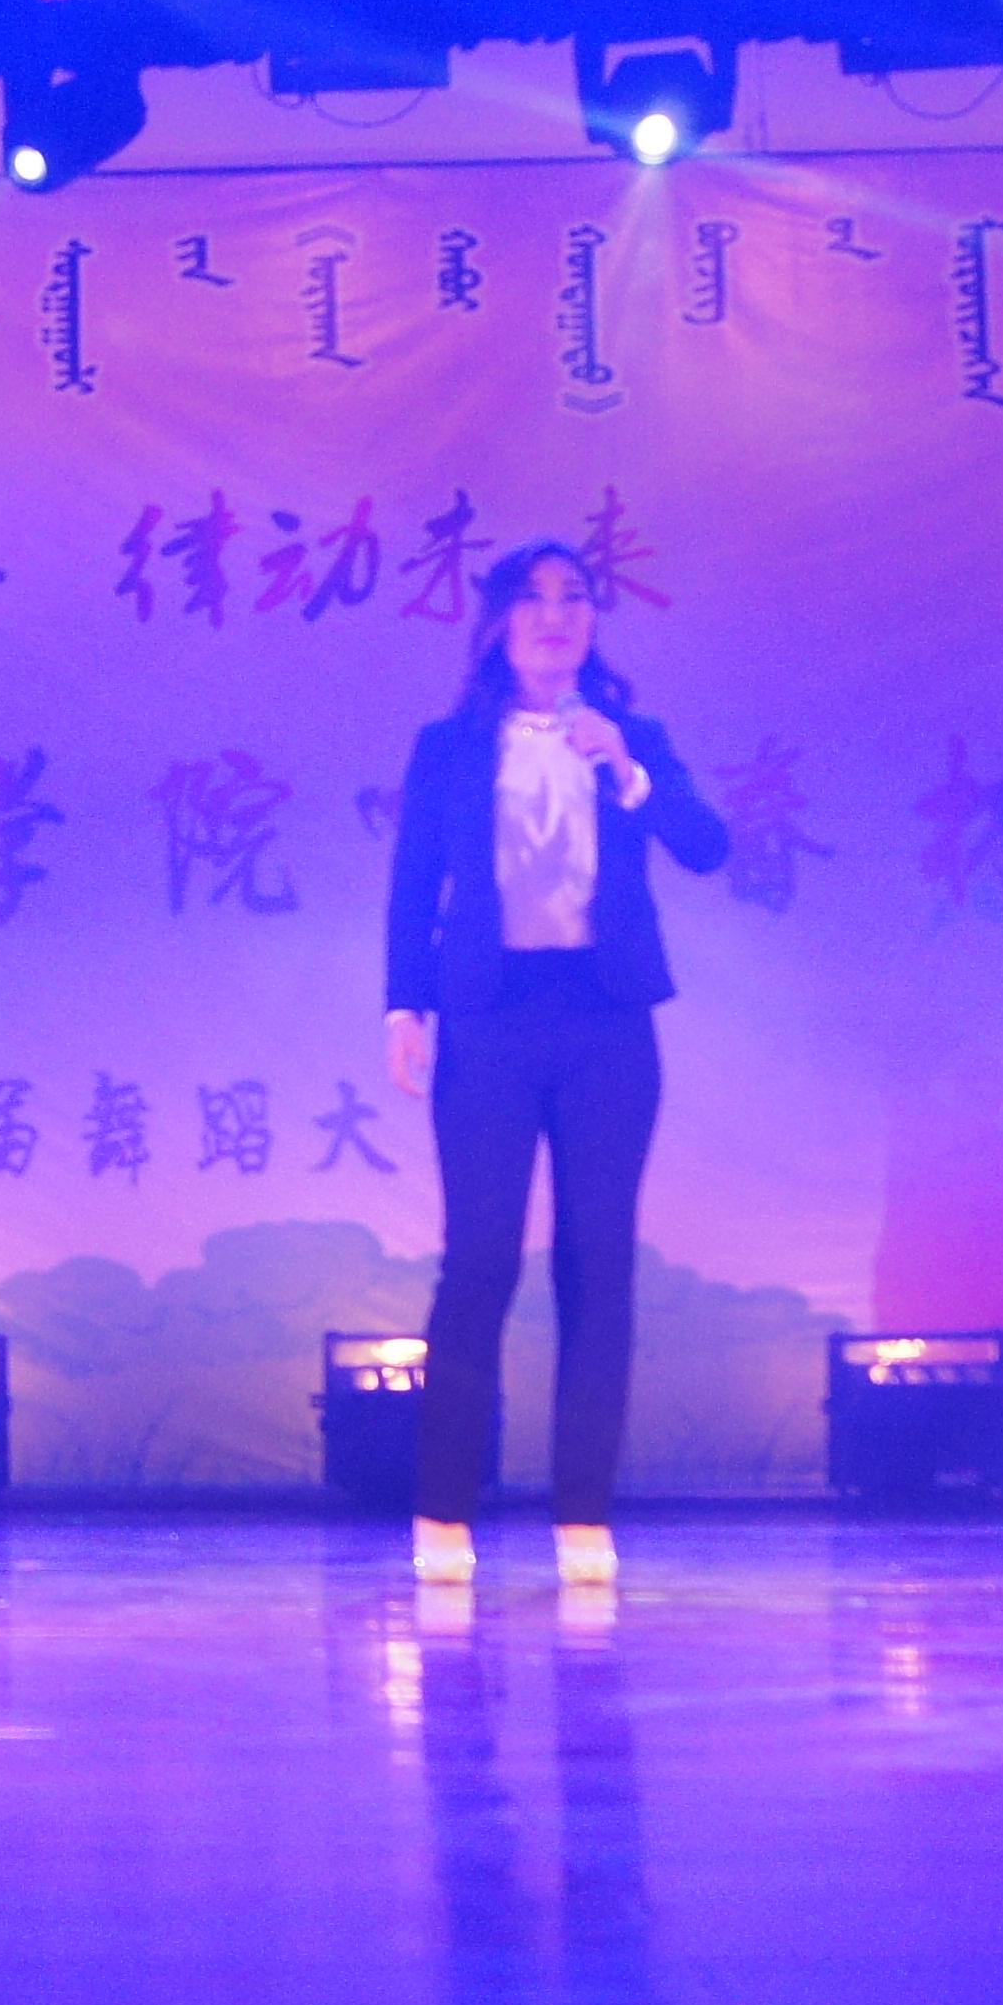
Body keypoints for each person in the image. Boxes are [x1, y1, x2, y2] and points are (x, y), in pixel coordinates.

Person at [380, 540, 733, 1589]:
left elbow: (707, 845)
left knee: (597, 1262)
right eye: (532, 599)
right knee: (479, 1261)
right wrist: (405, 1007)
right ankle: (444, 1510)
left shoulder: (630, 737)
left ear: (591, 622)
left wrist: (625, 770)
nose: (554, 615)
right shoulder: (450, 745)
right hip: (489, 1017)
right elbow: (415, 883)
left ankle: (584, 1515)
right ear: (498, 621)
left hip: (604, 1019)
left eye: (573, 597)